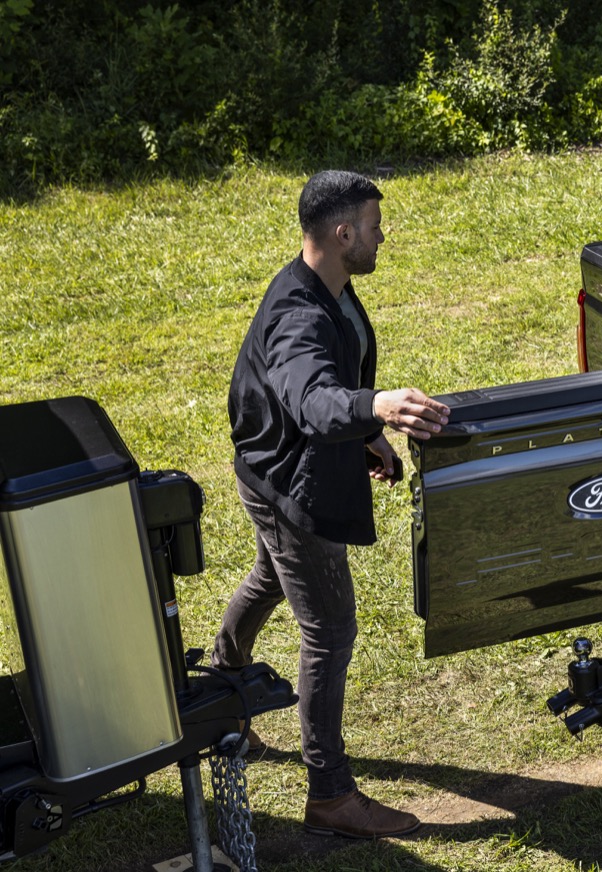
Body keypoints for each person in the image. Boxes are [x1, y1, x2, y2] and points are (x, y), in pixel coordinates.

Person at [215, 170, 450, 839]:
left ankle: (219, 692)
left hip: (272, 467)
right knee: (329, 631)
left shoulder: (329, 287)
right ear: (343, 233)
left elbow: (332, 387)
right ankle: (330, 793)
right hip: (290, 485)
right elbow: (312, 397)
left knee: (269, 578)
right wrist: (374, 407)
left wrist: (366, 432)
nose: (383, 236)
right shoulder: (298, 313)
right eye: (376, 226)